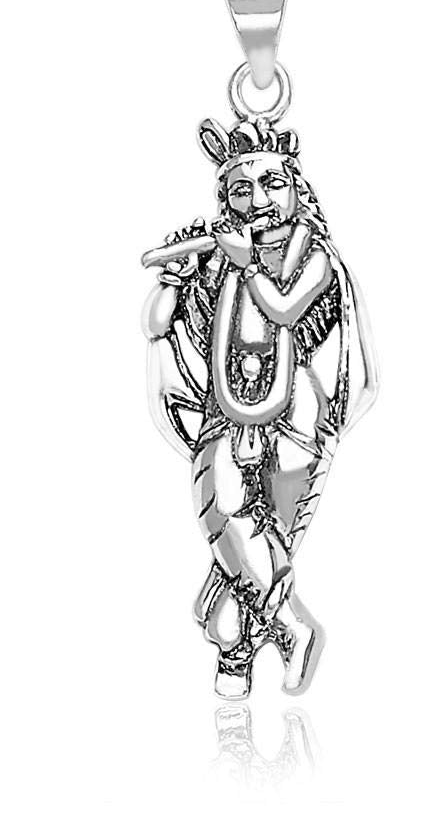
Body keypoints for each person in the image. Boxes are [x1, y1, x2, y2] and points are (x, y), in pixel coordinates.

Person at [142, 117, 376, 698]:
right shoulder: (222, 256)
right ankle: (292, 626)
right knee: (222, 514)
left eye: (271, 184)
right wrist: (176, 277)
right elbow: (155, 322)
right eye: (241, 189)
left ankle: (236, 651)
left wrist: (246, 262)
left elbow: (283, 309)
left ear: (296, 188)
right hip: (223, 410)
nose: (258, 200)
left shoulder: (314, 255)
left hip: (293, 416)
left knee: (255, 544)